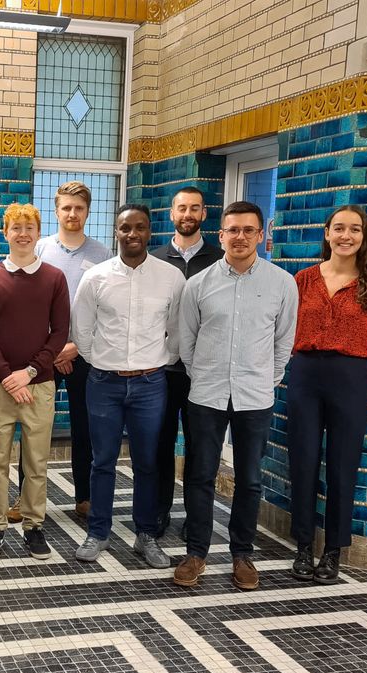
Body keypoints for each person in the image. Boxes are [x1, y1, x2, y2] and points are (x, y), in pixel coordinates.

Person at [175, 200, 298, 591]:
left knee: (249, 479)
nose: (240, 237)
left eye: (248, 230)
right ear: (222, 234)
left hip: (255, 397)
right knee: (200, 476)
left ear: (261, 236)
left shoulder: (282, 283)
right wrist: (205, 375)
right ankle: (196, 552)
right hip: (207, 394)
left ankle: (242, 554)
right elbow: (186, 342)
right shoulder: (199, 284)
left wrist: (268, 379)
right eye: (233, 230)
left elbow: (284, 341)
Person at [287, 205, 367, 584]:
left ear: (364, 236)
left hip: (352, 376)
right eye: (339, 228)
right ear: (327, 233)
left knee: (342, 465)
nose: (346, 236)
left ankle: (332, 550)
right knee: (302, 460)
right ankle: (303, 546)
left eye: (354, 230)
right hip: (305, 371)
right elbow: (285, 327)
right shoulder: (303, 279)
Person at [72, 204, 186, 568]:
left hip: (151, 384)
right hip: (103, 383)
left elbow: (178, 330)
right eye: (125, 228)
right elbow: (82, 329)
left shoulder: (171, 277)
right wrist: (101, 361)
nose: (132, 234)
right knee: (102, 460)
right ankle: (99, 531)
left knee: (148, 463)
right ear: (116, 232)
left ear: (150, 232)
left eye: (140, 228)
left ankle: (147, 535)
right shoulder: (97, 277)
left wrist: (158, 362)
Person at [0, 204, 70, 560]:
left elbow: (59, 332)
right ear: (5, 232)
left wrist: (28, 373)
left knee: (36, 460)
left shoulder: (54, 278)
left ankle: (33, 526)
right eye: (16, 227)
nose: (23, 234)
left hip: (39, 385)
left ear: (38, 232)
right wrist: (7, 376)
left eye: (29, 227)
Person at [16, 180, 110, 522]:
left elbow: (105, 309)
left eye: (79, 208)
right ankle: (25, 497)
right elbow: (25, 304)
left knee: (85, 428)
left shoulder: (102, 255)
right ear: (56, 211)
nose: (73, 214)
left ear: (88, 211)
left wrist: (74, 347)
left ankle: (84, 497)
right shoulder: (38, 249)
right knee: (32, 427)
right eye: (66, 208)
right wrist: (52, 349)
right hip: (42, 355)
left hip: (83, 355)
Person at [150, 187, 223, 538]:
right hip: (163, 370)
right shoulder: (154, 260)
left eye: (195, 208)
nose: (188, 214)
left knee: (201, 449)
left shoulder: (220, 260)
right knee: (160, 445)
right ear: (172, 213)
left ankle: (196, 519)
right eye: (182, 208)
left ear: (205, 214)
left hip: (204, 372)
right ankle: (159, 512)